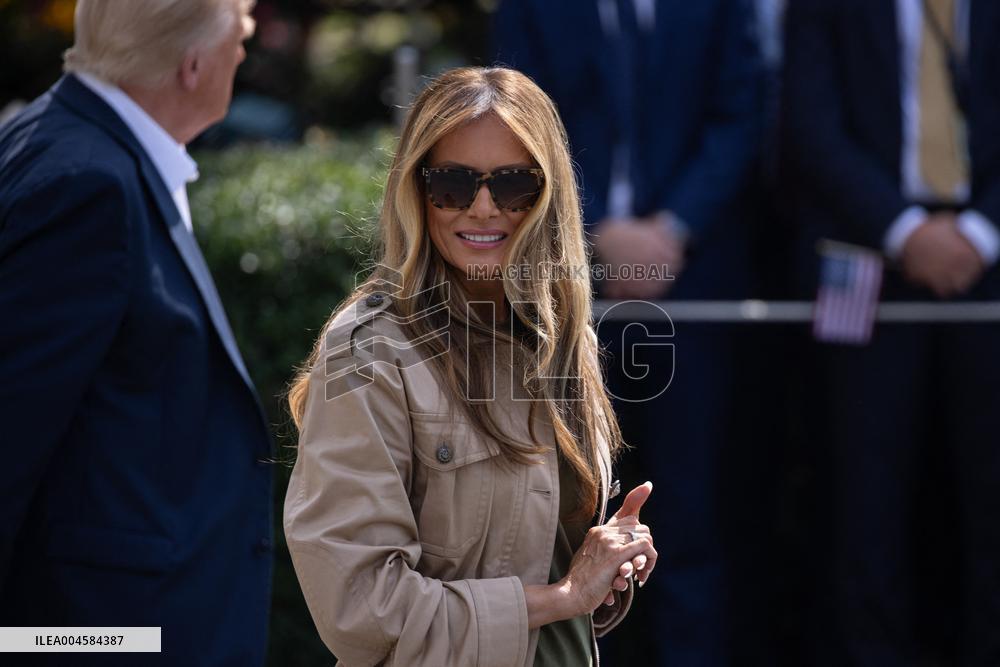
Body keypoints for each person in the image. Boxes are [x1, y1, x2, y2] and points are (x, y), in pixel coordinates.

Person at [283, 66, 658, 666]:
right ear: (417, 192)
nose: (483, 208)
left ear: (547, 195)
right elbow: (359, 609)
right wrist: (560, 597)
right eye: (452, 185)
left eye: (512, 186)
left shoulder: (565, 337)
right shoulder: (367, 351)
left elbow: (548, 558)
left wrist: (605, 563)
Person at [0, 1, 273, 664]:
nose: (244, 49)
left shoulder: (75, 146)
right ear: (192, 65)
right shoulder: (85, 183)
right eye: (240, 34)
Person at [495, 2, 762, 664]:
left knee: (690, 512)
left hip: (693, 288)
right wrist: (590, 237)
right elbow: (509, 120)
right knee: (553, 516)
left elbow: (742, 111)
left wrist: (671, 230)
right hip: (560, 292)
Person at [782, 0, 1000, 663]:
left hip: (988, 261)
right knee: (864, 496)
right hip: (865, 255)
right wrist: (906, 233)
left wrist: (980, 234)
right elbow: (809, 125)